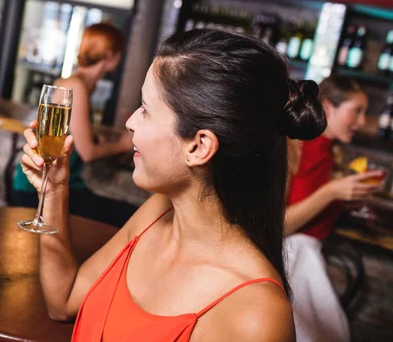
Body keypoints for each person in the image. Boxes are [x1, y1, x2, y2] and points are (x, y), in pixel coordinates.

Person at [19, 28, 327, 340]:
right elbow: (64, 300)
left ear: (198, 147)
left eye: (146, 110)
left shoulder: (257, 313)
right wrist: (54, 192)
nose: (130, 122)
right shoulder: (156, 214)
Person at [285, 76, 383, 342]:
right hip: (287, 261)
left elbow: (314, 206)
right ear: (327, 108)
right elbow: (278, 225)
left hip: (309, 259)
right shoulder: (293, 147)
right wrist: (332, 192)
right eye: (356, 111)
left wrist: (346, 200)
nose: (362, 122)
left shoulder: (332, 154)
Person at [12, 23, 136, 227]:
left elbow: (75, 135)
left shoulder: (81, 83)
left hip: (63, 184)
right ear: (110, 55)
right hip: (37, 189)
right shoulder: (75, 86)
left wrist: (95, 137)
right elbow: (87, 152)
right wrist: (123, 144)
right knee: (127, 218)